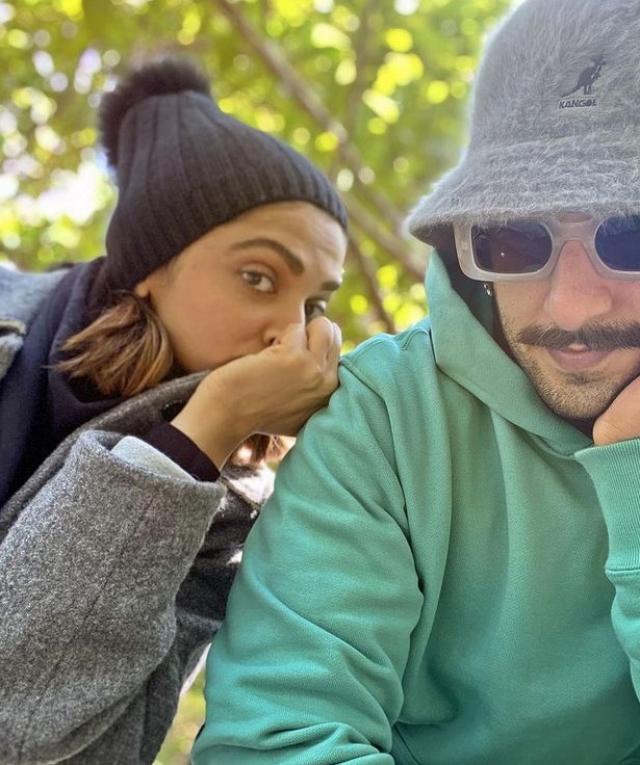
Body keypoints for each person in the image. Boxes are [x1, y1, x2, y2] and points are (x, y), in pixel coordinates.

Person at [192, 0, 640, 762]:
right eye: (513, 239)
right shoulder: (384, 420)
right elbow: (272, 740)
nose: (572, 305)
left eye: (627, 234)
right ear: (466, 249)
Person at [0, 58, 347, 764]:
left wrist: (204, 432)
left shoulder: (227, 511)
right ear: (150, 269)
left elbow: (31, 727)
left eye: (314, 304)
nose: (291, 333)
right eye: (259, 277)